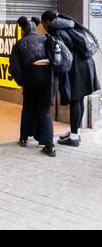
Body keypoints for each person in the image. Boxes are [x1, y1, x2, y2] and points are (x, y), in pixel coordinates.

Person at [41, 11, 100, 147]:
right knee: (79, 100)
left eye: (43, 23)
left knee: (75, 100)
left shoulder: (58, 32)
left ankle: (73, 138)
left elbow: (62, 55)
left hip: (77, 68)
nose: (43, 26)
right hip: (86, 64)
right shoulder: (70, 25)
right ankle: (76, 133)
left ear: (48, 22)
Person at [9, 16, 56, 157]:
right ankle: (49, 145)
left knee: (28, 108)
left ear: (23, 30)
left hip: (31, 76)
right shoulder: (45, 40)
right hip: (48, 77)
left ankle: (24, 139)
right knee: (45, 111)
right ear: (36, 28)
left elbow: (15, 69)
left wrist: (23, 82)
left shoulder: (19, 44)